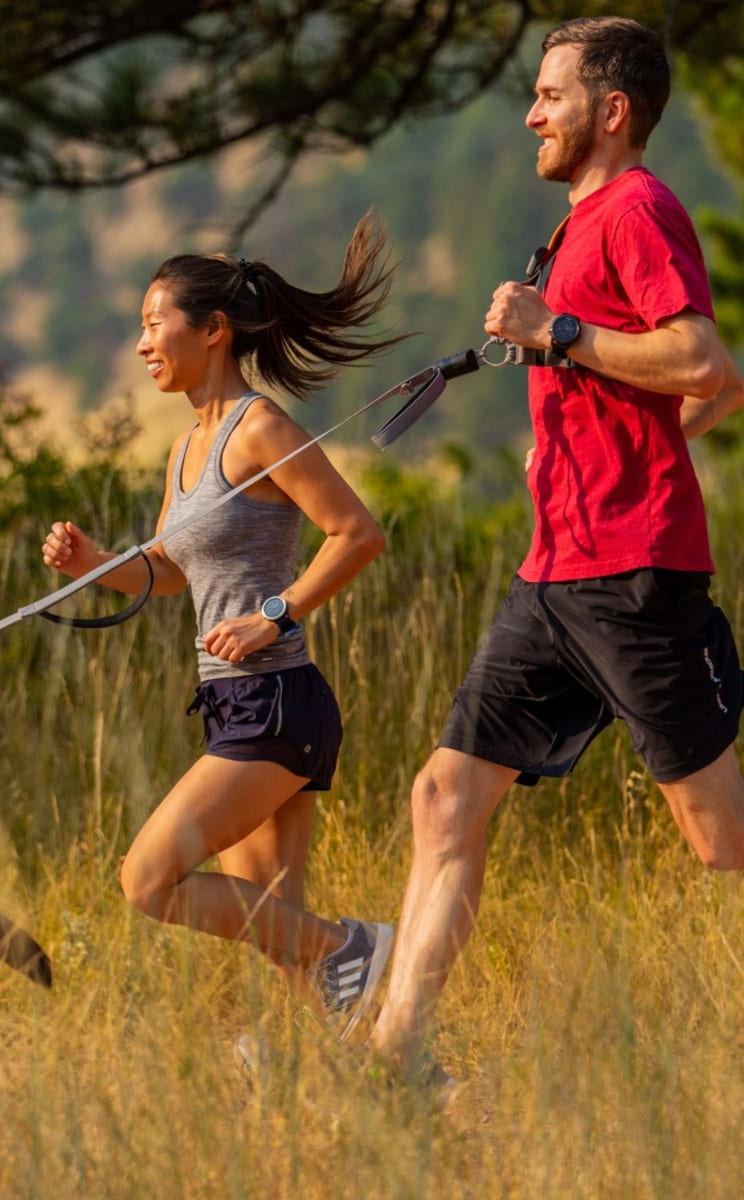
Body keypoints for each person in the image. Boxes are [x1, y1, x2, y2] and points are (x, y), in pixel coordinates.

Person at [369, 16, 744, 1089]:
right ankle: (396, 1065)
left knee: (720, 845)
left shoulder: (636, 208)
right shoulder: (578, 228)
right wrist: (598, 434)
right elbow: (703, 393)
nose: (530, 112)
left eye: (549, 95)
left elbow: (704, 360)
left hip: (631, 576)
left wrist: (563, 337)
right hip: (552, 576)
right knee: (443, 799)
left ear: (610, 111)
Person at [42, 215, 404, 1039]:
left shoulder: (261, 430)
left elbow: (359, 534)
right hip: (234, 704)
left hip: (278, 702)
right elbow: (169, 575)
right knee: (282, 944)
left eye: (152, 322)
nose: (142, 343)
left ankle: (358, 945)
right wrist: (94, 562)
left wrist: (273, 615)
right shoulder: (185, 451)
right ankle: (406, 1090)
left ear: (212, 330)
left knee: (148, 881)